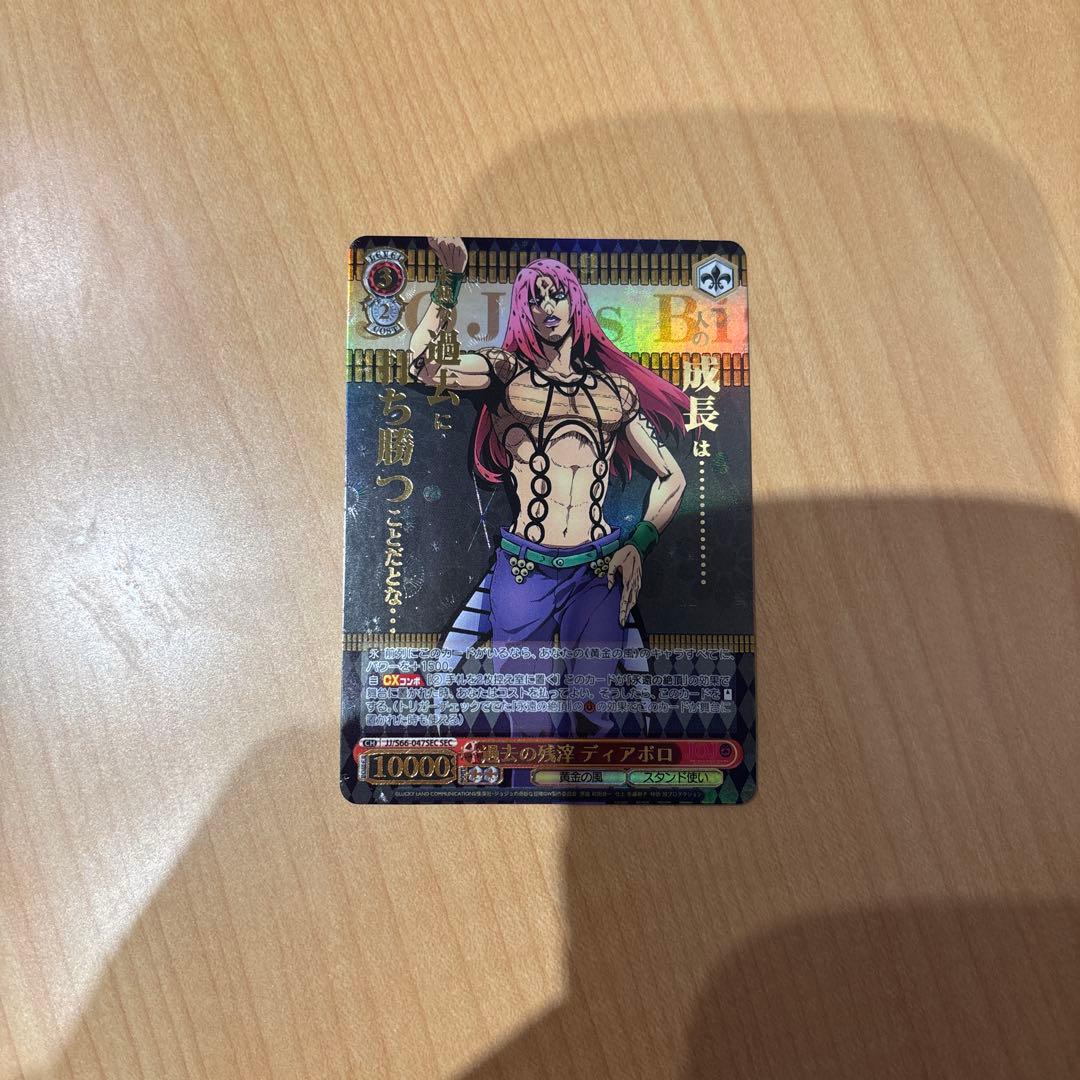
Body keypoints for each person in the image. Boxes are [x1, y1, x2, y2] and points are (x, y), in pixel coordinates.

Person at [410, 236, 687, 736]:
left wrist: (639, 544)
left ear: (575, 302)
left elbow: (673, 476)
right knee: (528, 722)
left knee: (595, 713)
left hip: (598, 571)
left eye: (556, 294)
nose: (547, 307)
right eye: (535, 300)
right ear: (525, 312)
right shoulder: (506, 373)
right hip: (525, 569)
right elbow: (425, 367)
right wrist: (449, 282)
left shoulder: (613, 391)